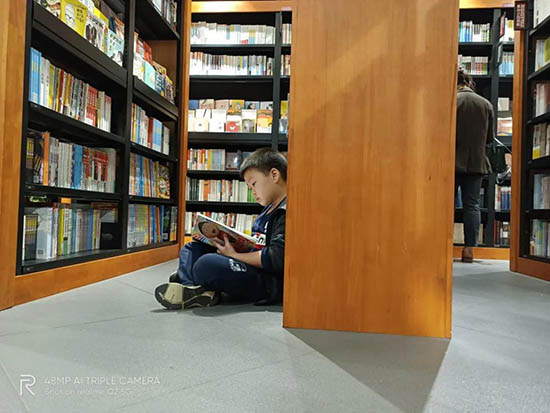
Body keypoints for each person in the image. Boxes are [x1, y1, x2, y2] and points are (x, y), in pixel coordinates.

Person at [154, 148, 287, 309]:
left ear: (274, 175)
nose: (252, 192)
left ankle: (190, 281)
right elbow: (258, 244)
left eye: (254, 184)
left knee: (206, 264)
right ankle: (192, 289)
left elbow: (276, 258)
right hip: (250, 263)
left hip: (266, 281)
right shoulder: (268, 209)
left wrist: (234, 255)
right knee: (192, 248)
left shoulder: (285, 211)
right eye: (249, 187)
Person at [455, 68, 494, 263]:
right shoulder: (485, 104)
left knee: (446, 205)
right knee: (472, 205)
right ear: (469, 83)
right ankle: (469, 249)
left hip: (452, 162)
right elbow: (489, 138)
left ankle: (443, 244)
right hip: (477, 162)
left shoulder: (452, 101)